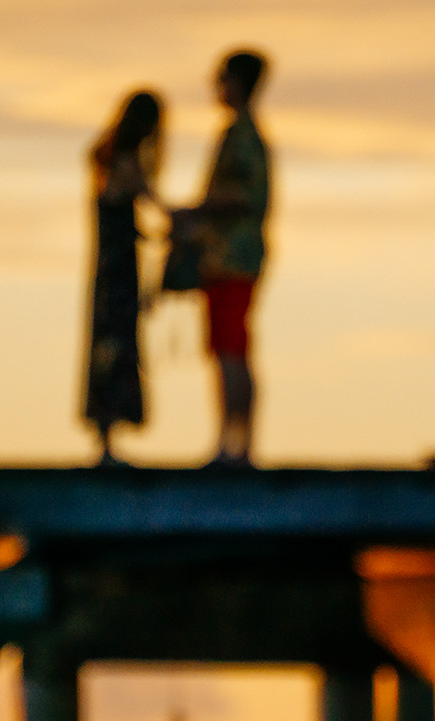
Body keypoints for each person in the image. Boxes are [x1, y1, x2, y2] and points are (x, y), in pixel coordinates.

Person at [195, 50, 271, 468]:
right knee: (230, 349)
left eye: (221, 77)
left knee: (231, 351)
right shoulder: (243, 134)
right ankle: (234, 444)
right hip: (230, 258)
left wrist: (198, 210)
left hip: (232, 259)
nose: (216, 85)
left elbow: (243, 197)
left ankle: (234, 446)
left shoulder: (241, 137)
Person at [84, 90, 164, 466]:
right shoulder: (127, 161)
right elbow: (156, 204)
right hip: (119, 273)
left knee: (105, 346)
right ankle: (108, 437)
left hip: (105, 269)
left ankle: (105, 438)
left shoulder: (104, 160)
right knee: (116, 347)